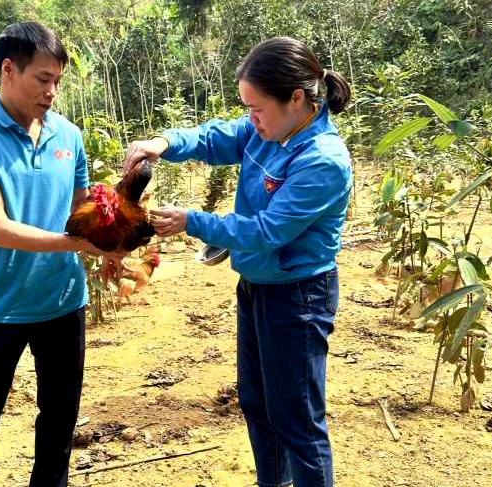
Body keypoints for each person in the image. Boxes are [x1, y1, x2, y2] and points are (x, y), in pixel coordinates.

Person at [124, 37, 352, 487]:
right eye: (247, 108)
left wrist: (193, 221)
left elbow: (267, 232)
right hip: (257, 285)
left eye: (257, 108)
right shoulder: (269, 129)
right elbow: (218, 136)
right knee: (258, 403)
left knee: (299, 420)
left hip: (297, 296)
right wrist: (163, 142)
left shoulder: (321, 160)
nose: (251, 119)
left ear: (297, 98)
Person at [0, 22, 121, 487]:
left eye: (58, 81)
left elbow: (82, 210)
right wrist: (76, 243)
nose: (52, 92)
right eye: (43, 79)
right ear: (8, 69)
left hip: (63, 302)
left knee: (59, 424)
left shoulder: (69, 136)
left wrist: (109, 237)